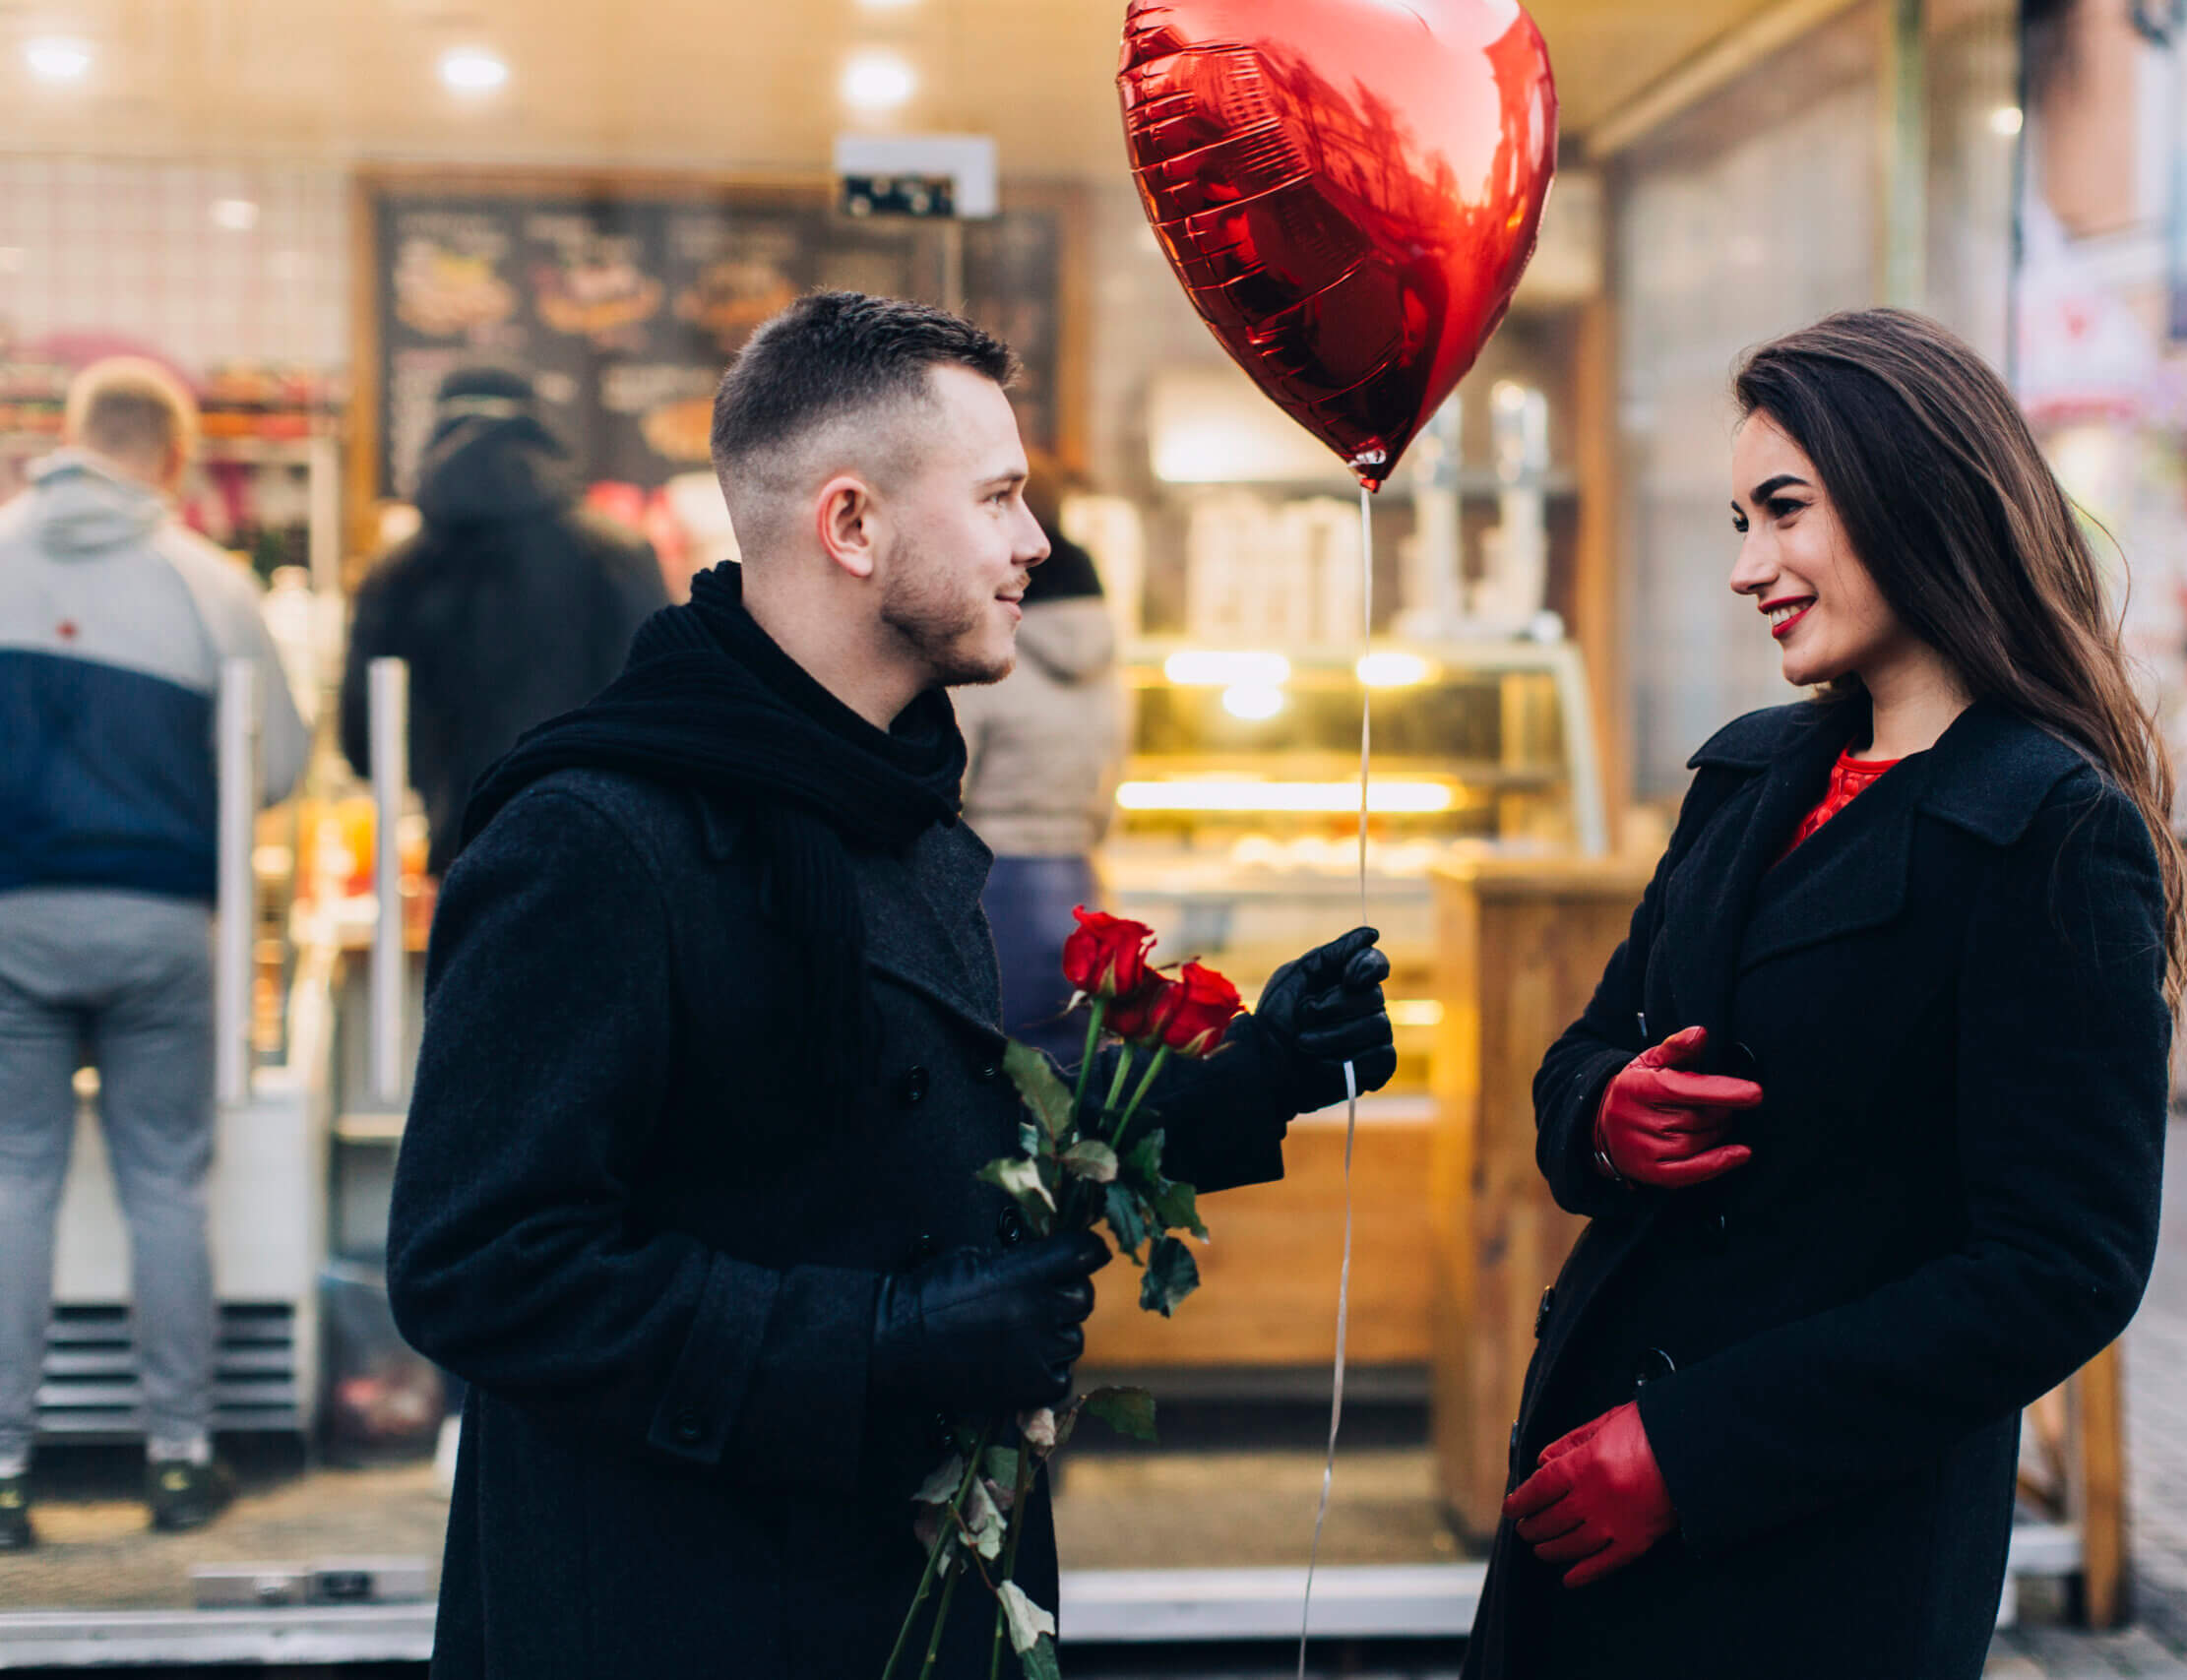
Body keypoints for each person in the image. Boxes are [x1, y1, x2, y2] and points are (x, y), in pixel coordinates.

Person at [384, 291, 1397, 1680]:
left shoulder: (900, 807)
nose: (1036, 541)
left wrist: (1254, 1072)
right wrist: (873, 1342)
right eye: (998, 497)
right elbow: (482, 1265)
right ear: (851, 525)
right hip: (677, 1605)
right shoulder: (596, 836)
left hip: (885, 1593)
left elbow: (947, 1141)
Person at [1467, 309, 2187, 1678]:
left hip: (1819, 1554)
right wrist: (1606, 1116)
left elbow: (2063, 1263)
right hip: (1585, 1489)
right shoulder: (1749, 776)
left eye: (1783, 511)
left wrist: (1691, 1448)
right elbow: (1586, 1048)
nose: (1750, 567)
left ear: (1913, 485)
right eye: (1741, 519)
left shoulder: (2048, 825)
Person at [0, 357, 311, 1545]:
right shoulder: (208, 585)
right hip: (162, 931)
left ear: (66, 439)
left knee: (14, 1178)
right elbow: (275, 768)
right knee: (167, 1185)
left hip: (11, 919)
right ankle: (180, 1462)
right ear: (173, 460)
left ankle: (6, 1477)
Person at [341, 366, 667, 877]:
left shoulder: (395, 573)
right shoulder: (615, 554)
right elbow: (664, 715)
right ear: (542, 432)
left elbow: (364, 745)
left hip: (464, 857)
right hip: (608, 854)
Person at [955, 453, 1126, 1067]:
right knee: (1073, 1072)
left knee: (994, 1067)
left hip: (992, 881)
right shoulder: (1102, 639)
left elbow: (952, 775)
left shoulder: (989, 640)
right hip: (1080, 876)